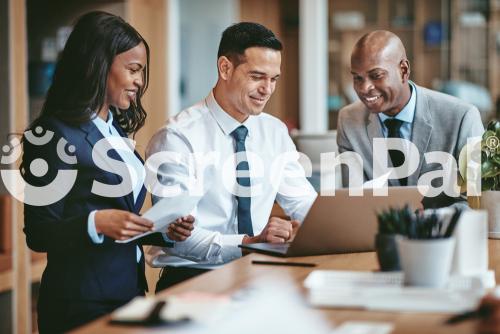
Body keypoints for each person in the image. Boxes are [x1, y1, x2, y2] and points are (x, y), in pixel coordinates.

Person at [21, 11, 193, 333]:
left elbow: (120, 223)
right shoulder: (52, 134)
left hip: (129, 293)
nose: (139, 82)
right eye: (133, 70)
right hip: (80, 303)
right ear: (98, 65)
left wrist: (164, 231)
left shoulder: (114, 132)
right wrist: (96, 222)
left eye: (142, 72)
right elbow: (39, 232)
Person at [146, 22, 317, 291]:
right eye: (257, 76)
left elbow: (303, 202)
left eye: (273, 79)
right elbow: (180, 238)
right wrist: (250, 243)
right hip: (193, 280)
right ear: (225, 68)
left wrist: (321, 227)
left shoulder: (274, 131)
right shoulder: (177, 137)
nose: (267, 89)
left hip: (260, 274)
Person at [336, 30, 484, 207]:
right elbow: (354, 199)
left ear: (403, 70)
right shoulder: (349, 120)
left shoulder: (462, 118)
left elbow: (476, 200)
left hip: (445, 232)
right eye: (358, 78)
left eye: (376, 76)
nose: (365, 88)